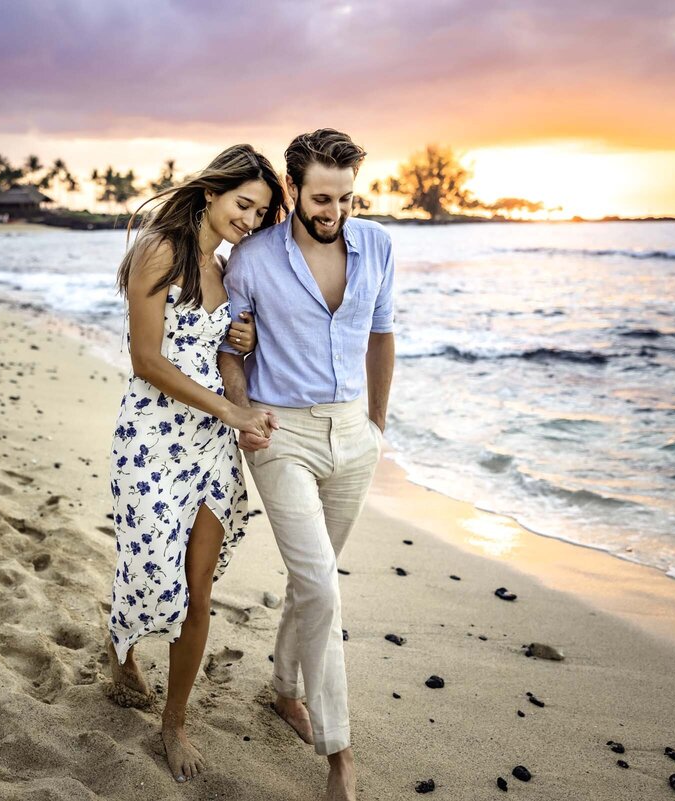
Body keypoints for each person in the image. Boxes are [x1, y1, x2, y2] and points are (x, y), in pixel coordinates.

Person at [216, 129, 395, 801]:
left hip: (353, 435)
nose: (335, 211)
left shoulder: (376, 245)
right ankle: (340, 755)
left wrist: (377, 425)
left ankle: (285, 689)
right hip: (278, 432)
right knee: (321, 583)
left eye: (346, 197)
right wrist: (238, 406)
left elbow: (382, 333)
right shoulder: (252, 258)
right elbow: (231, 343)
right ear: (292, 188)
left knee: (311, 581)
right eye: (322, 197)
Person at [106, 144, 288, 782]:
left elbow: (215, 353)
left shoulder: (226, 266)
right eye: (244, 204)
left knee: (197, 590)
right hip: (153, 442)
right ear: (211, 192)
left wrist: (243, 340)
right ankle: (120, 646)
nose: (251, 220)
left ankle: (174, 721)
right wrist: (233, 413)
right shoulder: (162, 250)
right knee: (148, 568)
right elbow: (147, 361)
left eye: (263, 213)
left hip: (208, 448)